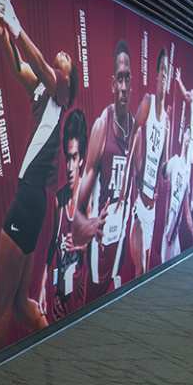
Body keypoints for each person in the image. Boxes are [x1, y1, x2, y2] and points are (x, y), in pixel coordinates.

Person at [0, 0, 77, 355]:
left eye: (69, 59)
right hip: (33, 200)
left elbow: (39, 63)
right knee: (21, 305)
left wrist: (17, 26)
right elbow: (19, 67)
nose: (64, 56)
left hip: (28, 200)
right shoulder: (43, 92)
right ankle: (50, 341)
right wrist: (6, 35)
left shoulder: (61, 91)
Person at [77, 40, 134, 300]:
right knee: (91, 313)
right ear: (113, 84)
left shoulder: (135, 131)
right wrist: (91, 226)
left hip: (119, 244)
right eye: (119, 79)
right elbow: (77, 215)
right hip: (98, 251)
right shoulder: (102, 126)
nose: (123, 88)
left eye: (127, 80)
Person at [118, 47, 171, 277]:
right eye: (160, 69)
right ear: (156, 74)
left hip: (153, 207)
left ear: (168, 78)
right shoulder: (148, 102)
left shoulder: (167, 120)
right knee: (140, 271)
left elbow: (164, 169)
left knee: (146, 275)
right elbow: (133, 136)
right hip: (139, 205)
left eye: (166, 71)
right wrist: (124, 189)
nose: (162, 75)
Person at [44, 108, 90, 321]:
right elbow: (53, 244)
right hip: (60, 299)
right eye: (67, 158)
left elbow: (102, 245)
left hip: (82, 298)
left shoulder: (88, 198)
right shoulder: (59, 200)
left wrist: (80, 244)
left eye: (74, 158)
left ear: (81, 159)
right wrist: (43, 287)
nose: (70, 166)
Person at [160, 129, 193, 262]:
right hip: (169, 229)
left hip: (175, 230)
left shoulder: (186, 175)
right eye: (186, 134)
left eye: (190, 136)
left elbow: (186, 212)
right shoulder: (174, 161)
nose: (187, 138)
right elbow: (165, 172)